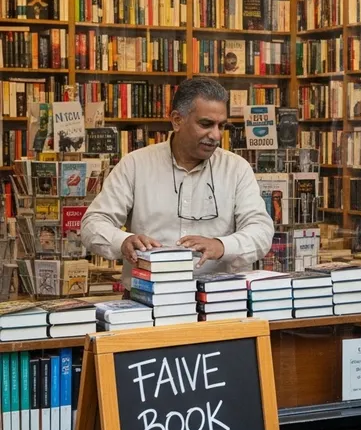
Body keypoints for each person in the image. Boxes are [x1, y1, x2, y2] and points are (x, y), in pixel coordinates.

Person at [81, 77, 274, 289]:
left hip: (217, 300)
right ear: (177, 120)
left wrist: (221, 245)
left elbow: (261, 231)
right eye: (206, 124)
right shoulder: (135, 165)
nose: (216, 135)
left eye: (222, 126)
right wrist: (123, 241)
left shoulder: (236, 169)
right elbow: (93, 224)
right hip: (146, 299)